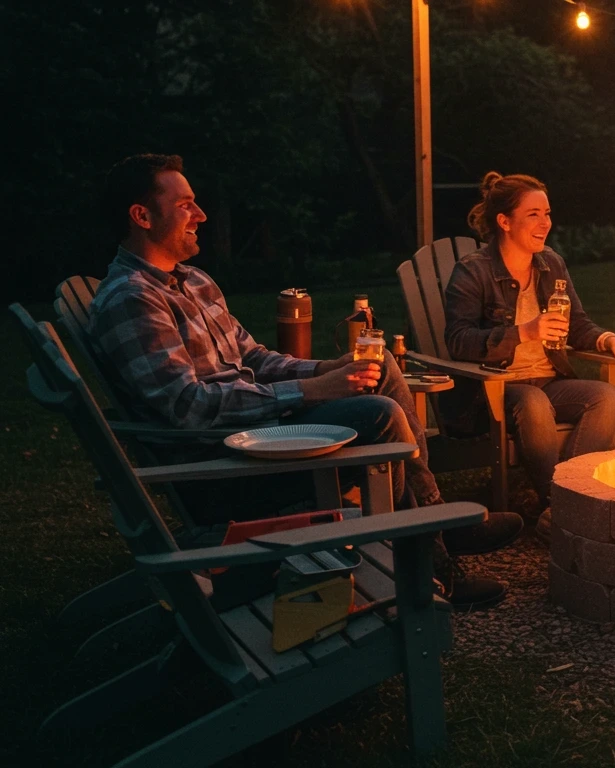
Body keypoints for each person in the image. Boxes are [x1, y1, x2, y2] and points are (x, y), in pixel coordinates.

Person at [87, 154, 519, 611]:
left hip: (257, 436)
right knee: (380, 414)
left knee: (383, 366)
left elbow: (250, 356)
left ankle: (436, 526)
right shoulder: (133, 299)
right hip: (226, 465)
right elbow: (188, 406)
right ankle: (434, 563)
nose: (201, 215)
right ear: (141, 215)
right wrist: (313, 392)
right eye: (186, 205)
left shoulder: (192, 281)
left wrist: (325, 369)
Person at [441, 172, 615, 538]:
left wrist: (611, 341)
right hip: (493, 390)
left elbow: (577, 324)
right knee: (533, 402)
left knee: (605, 397)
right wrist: (524, 332)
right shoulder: (473, 271)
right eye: (533, 214)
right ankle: (566, 504)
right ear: (504, 221)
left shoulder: (551, 264)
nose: (545, 222)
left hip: (547, 379)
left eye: (547, 213)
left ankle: (565, 501)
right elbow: (458, 341)